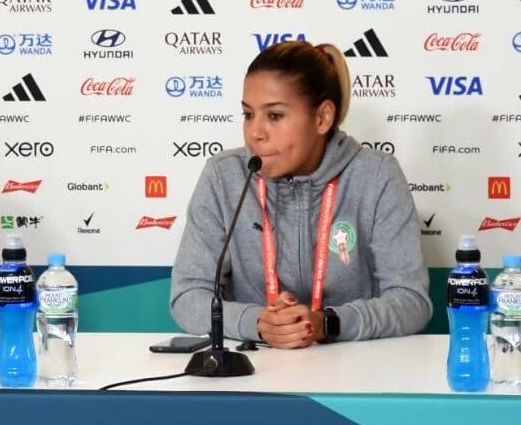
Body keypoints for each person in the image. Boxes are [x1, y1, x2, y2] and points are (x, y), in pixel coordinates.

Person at [170, 41, 431, 348]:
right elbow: (188, 296)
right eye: (248, 114)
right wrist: (260, 323)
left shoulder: (376, 175)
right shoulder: (223, 176)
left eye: (275, 116)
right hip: (255, 370)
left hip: (354, 372)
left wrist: (328, 324)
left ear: (322, 118)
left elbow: (412, 302)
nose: (256, 132)